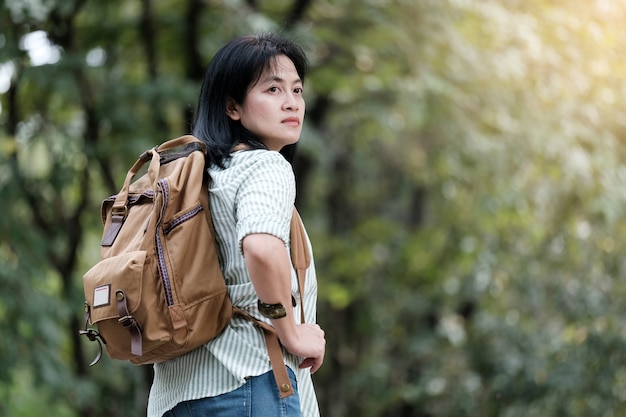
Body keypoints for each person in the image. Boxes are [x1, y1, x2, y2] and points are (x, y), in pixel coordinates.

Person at [147, 33, 326, 417]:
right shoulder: (266, 167)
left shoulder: (198, 181)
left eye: (297, 89)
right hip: (250, 382)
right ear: (232, 106)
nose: (291, 101)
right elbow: (261, 247)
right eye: (273, 88)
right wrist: (292, 332)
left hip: (175, 397)